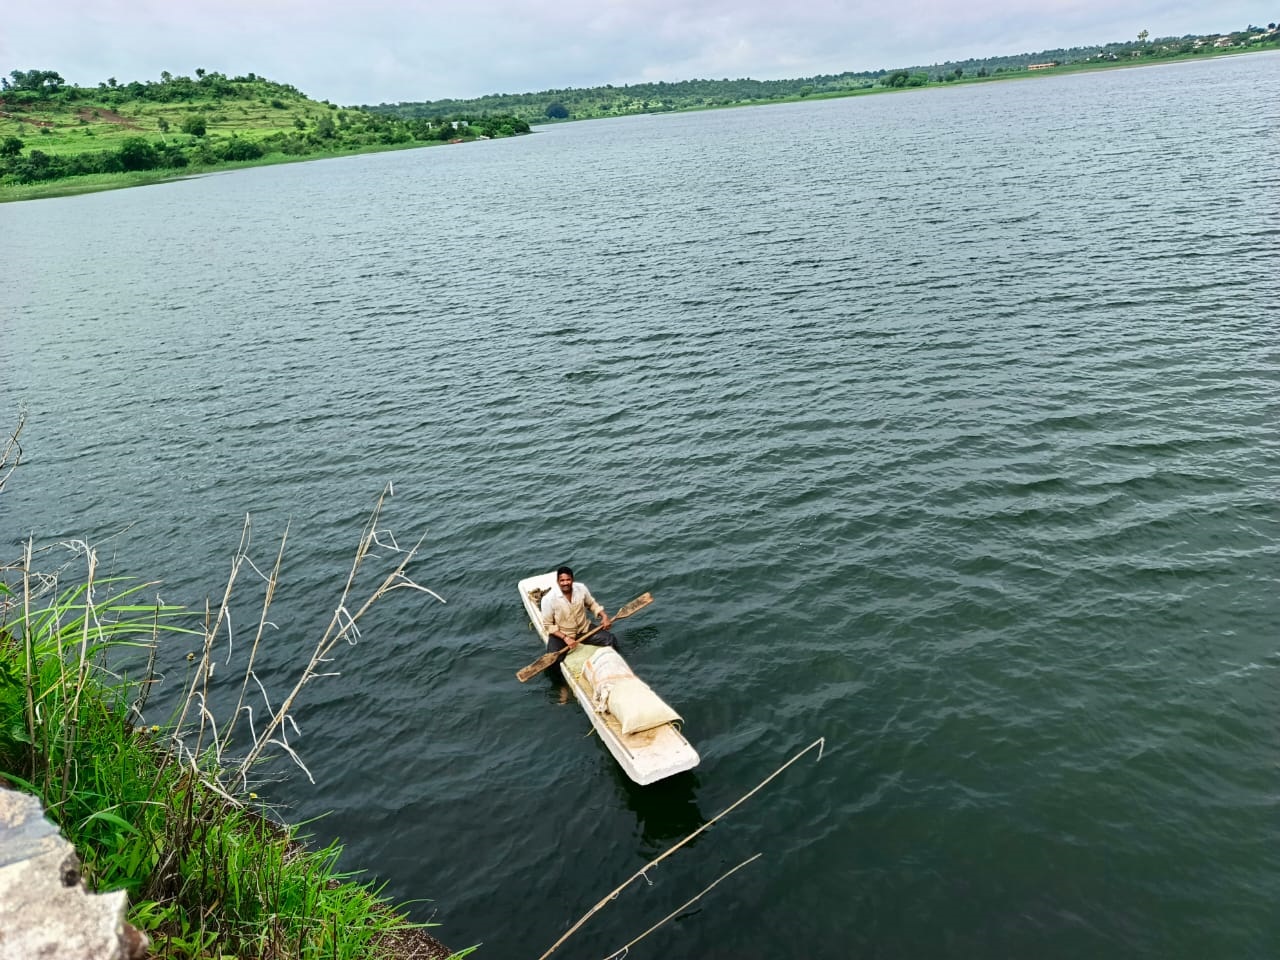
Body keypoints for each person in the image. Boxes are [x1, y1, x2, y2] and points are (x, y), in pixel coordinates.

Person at [540, 565, 618, 655]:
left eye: (568, 580)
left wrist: (604, 616)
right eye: (562, 580)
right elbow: (548, 625)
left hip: (584, 628)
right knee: (553, 657)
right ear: (557, 582)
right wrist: (565, 638)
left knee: (610, 639)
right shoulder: (548, 599)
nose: (565, 583)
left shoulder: (581, 588)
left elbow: (592, 604)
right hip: (563, 633)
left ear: (572, 580)